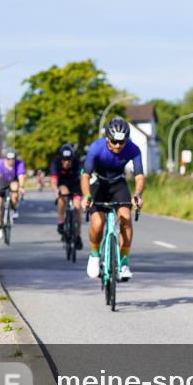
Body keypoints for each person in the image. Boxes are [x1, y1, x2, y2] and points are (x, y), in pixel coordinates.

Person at [81, 117, 144, 281]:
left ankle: (123, 263)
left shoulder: (133, 149)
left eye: (121, 143)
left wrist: (137, 194)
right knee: (98, 222)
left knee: (126, 218)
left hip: (118, 183)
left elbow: (139, 176)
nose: (117, 146)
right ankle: (94, 256)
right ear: (107, 138)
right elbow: (85, 175)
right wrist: (87, 196)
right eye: (114, 142)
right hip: (98, 184)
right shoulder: (96, 148)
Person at [51, 143, 83, 250]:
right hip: (62, 184)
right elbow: (54, 181)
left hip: (75, 185)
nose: (67, 162)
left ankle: (77, 235)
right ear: (60, 159)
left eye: (69, 160)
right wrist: (55, 190)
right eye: (64, 160)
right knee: (62, 194)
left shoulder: (78, 163)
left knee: (77, 208)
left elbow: (83, 178)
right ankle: (61, 221)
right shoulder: (55, 163)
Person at [0, 149, 27, 240]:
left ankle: (14, 209)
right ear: (5, 158)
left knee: (15, 189)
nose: (11, 161)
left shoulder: (19, 163)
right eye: (9, 159)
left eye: (13, 159)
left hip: (13, 182)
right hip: (2, 183)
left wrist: (22, 187)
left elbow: (20, 176)